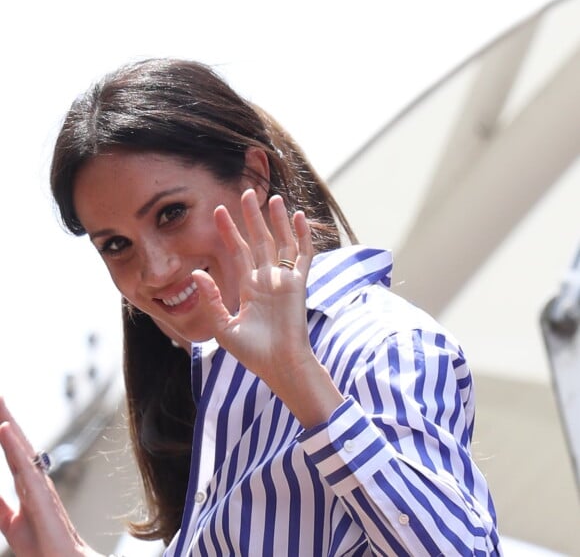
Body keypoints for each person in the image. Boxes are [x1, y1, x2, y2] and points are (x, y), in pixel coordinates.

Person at [0, 58, 502, 556]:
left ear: (254, 175)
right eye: (115, 245)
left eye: (171, 214)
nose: (153, 270)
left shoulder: (379, 343)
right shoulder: (217, 395)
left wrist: (300, 379)